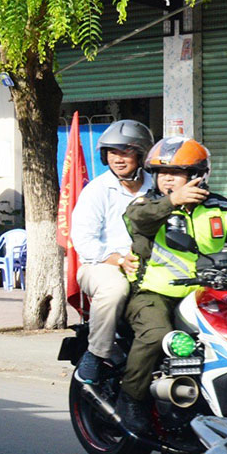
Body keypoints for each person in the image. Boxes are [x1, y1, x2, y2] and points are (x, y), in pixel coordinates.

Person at [118, 136, 227, 435]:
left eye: (175, 173)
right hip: (155, 293)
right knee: (157, 336)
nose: (166, 179)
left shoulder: (221, 208)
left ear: (197, 176)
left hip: (209, 294)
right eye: (160, 173)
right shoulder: (147, 206)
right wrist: (172, 202)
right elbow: (137, 221)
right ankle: (131, 399)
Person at [70, 119, 154, 384]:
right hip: (101, 266)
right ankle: (96, 354)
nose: (118, 159)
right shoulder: (96, 190)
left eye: (126, 152)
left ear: (141, 155)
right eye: (112, 153)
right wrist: (118, 259)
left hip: (153, 265)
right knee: (115, 288)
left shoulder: (157, 187)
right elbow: (84, 241)